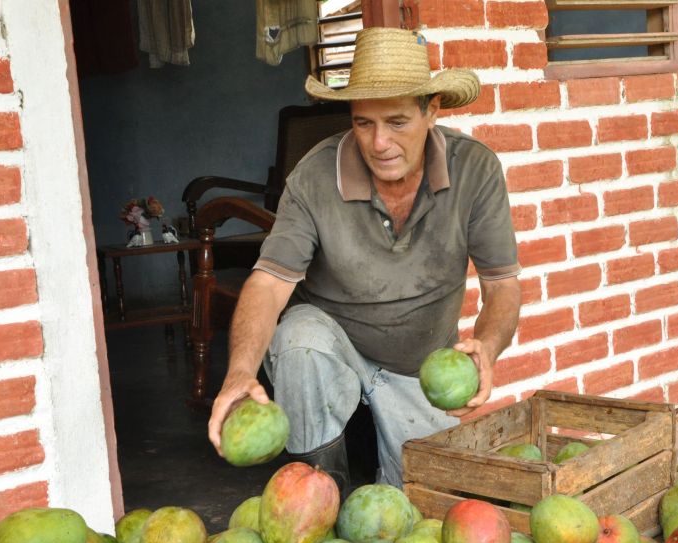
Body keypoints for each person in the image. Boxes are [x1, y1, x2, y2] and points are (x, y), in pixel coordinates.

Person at [207, 27, 521, 491]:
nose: (378, 143)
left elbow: (502, 285)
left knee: (425, 507)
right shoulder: (314, 175)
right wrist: (238, 375)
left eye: (396, 122)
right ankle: (316, 494)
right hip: (334, 347)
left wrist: (487, 349)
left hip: (421, 365)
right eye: (363, 123)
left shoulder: (475, 169)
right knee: (299, 338)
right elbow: (269, 283)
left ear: (431, 111)